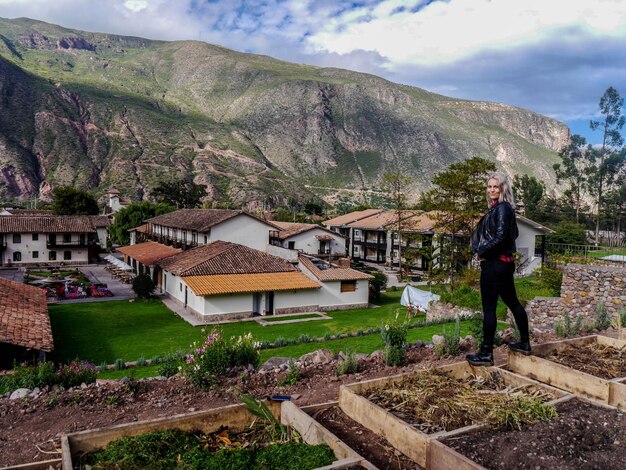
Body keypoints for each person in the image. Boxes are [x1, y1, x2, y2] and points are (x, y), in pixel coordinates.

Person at [466, 172, 531, 366]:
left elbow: (502, 236)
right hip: (504, 263)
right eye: (489, 187)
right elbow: (512, 233)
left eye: (496, 186)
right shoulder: (502, 209)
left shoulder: (502, 208)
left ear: (503, 188)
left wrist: (482, 251)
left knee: (489, 309)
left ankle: (486, 353)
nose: (492, 190)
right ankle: (525, 344)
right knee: (513, 302)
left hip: (494, 265)